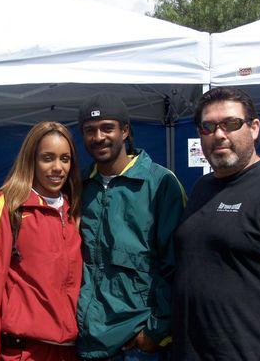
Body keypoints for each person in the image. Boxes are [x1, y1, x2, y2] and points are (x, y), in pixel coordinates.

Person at [172, 87, 260, 361]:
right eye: (208, 127)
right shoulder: (202, 188)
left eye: (231, 124)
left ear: (255, 128)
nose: (219, 135)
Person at [76, 93, 186, 361]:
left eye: (107, 128)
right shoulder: (80, 187)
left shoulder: (160, 183)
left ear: (125, 131)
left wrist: (156, 332)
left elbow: (179, 263)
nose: (99, 137)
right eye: (90, 131)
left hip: (137, 344)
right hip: (87, 338)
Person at [0, 121, 83, 361]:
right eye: (47, 158)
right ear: (31, 159)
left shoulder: (73, 212)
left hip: (67, 351)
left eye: (65, 159)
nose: (57, 167)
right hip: (22, 352)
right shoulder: (7, 205)